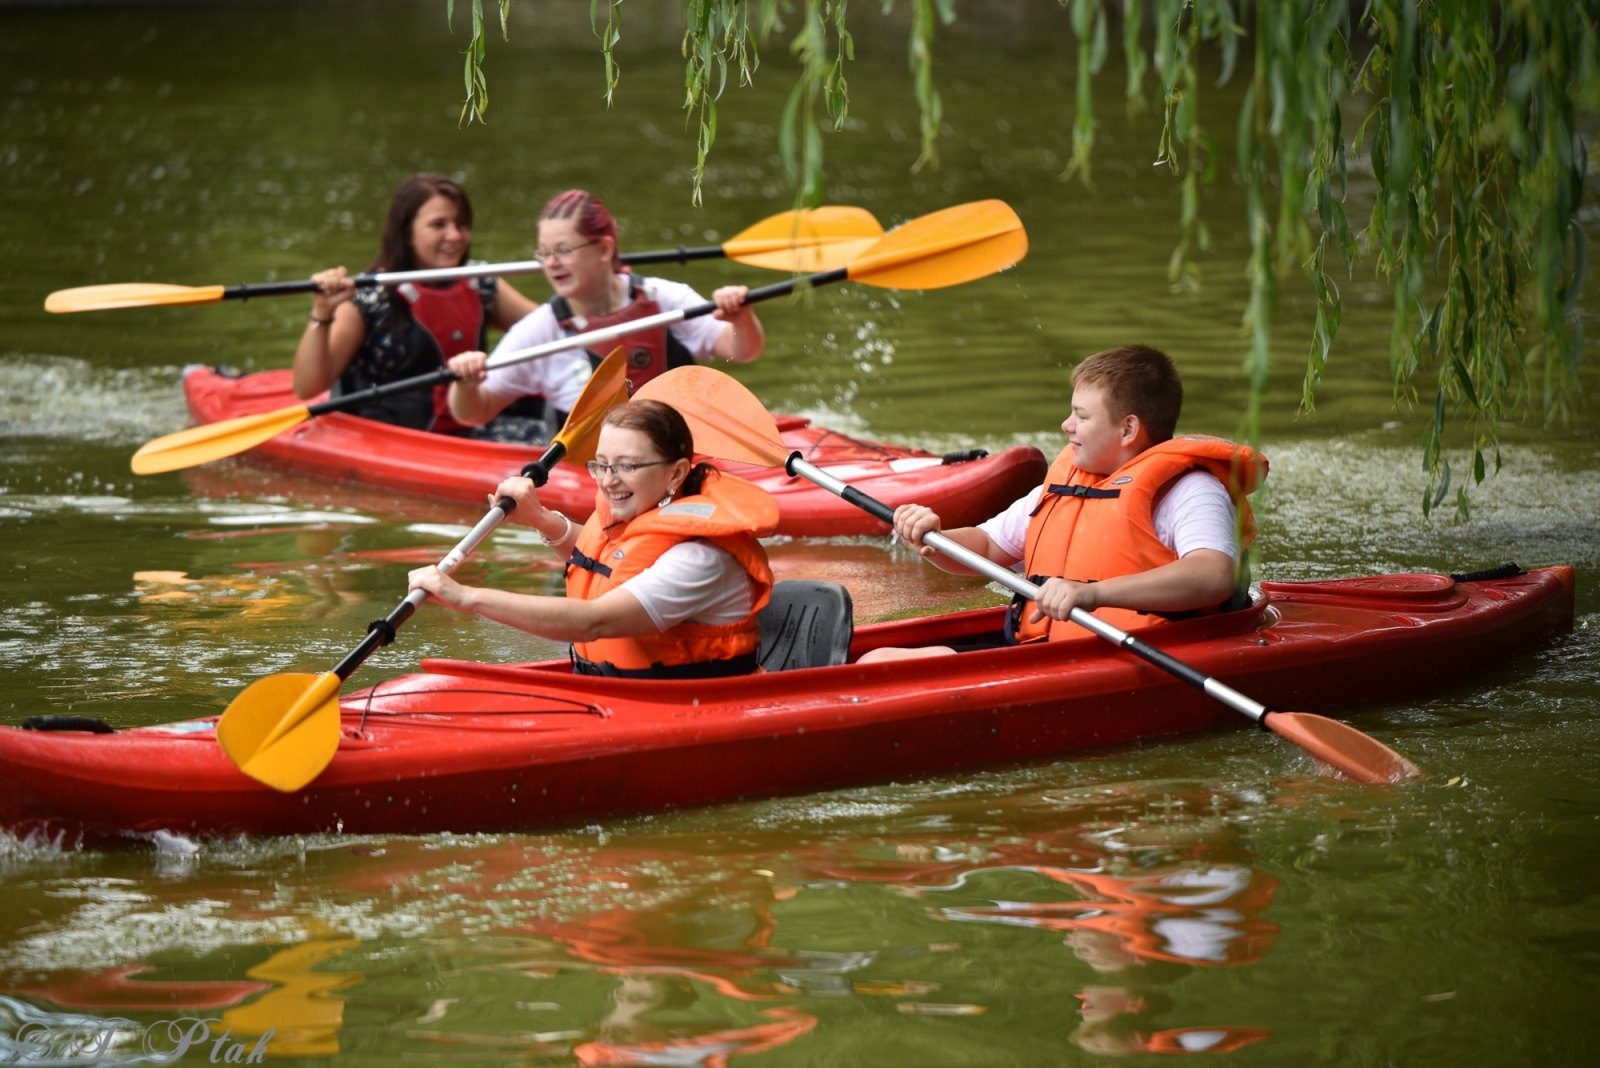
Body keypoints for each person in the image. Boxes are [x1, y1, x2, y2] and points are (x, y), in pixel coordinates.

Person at [860, 344, 1265, 662]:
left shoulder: (1190, 490)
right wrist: (932, 538)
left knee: (878, 666)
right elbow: (984, 547)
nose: (1066, 426)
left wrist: (1092, 593)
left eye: (1081, 416)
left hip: (1140, 653)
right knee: (875, 659)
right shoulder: (1062, 489)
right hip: (1051, 650)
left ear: (1128, 428)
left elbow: (1213, 577)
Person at [408, 399, 779, 679]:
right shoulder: (646, 513)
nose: (607, 480)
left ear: (676, 473)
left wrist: (466, 597)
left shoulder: (701, 559)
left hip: (690, 703)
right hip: (618, 686)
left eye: (627, 466)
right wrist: (541, 519)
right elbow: (603, 562)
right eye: (601, 464)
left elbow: (594, 622)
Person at [443, 189, 765, 429]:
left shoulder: (665, 298)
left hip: (681, 448)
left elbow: (742, 351)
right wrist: (465, 382)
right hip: (595, 473)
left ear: (603, 249)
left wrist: (742, 318)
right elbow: (474, 412)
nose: (552, 264)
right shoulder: (540, 331)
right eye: (544, 254)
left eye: (564, 250)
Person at [291, 173, 544, 437]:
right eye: (439, 225)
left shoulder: (480, 283)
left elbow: (551, 330)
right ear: (406, 232)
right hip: (394, 436)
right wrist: (322, 311)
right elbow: (307, 388)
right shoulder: (368, 299)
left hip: (467, 421)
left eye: (462, 224)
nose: (455, 235)